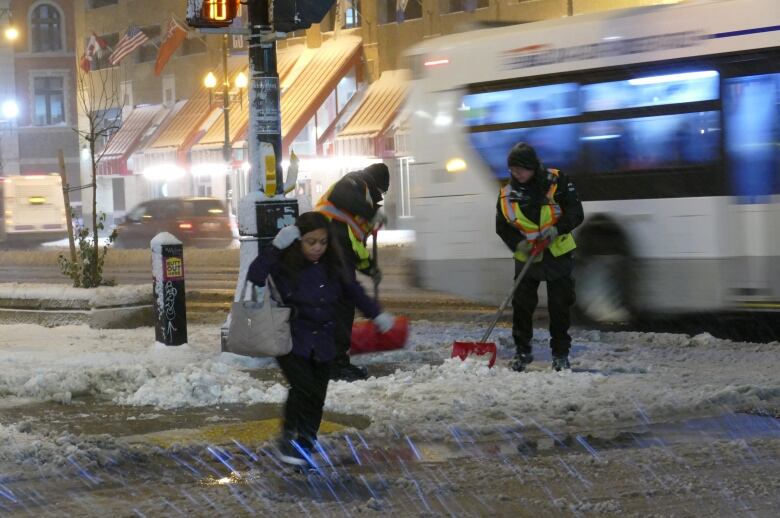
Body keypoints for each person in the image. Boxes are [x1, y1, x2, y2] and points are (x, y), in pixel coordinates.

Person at [246, 212, 395, 466]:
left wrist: (377, 315)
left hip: (325, 341)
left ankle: (305, 444)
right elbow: (255, 275)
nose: (317, 248)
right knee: (303, 388)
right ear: (298, 241)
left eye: (323, 242)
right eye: (311, 242)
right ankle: (288, 439)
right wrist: (275, 246)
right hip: (291, 340)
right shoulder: (285, 265)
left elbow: (354, 291)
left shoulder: (332, 266)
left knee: (317, 396)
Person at [495, 142, 584, 372]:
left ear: (533, 166)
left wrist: (557, 229)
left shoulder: (557, 182)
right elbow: (503, 228)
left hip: (557, 255)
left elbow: (576, 212)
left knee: (559, 307)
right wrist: (518, 245)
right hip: (528, 258)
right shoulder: (506, 195)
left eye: (521, 170)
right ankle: (522, 352)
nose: (517, 174)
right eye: (513, 170)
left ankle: (560, 354)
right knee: (522, 308)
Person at [316, 163, 390, 381]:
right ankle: (335, 365)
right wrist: (371, 213)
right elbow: (342, 195)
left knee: (340, 305)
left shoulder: (364, 202)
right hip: (326, 243)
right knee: (342, 306)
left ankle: (334, 361)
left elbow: (355, 244)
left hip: (336, 249)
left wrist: (370, 267)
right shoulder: (356, 180)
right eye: (383, 191)